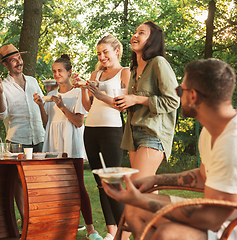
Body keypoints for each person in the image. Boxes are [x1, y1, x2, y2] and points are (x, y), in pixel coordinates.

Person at [103, 58, 237, 240]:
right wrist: (155, 180)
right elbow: (204, 175)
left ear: (194, 96)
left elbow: (211, 218)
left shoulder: (232, 141)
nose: (178, 95)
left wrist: (138, 198)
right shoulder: (209, 132)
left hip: (228, 225)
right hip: (214, 216)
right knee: (134, 210)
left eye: (180, 91)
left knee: (168, 233)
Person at [33, 54, 103, 240]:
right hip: (52, 143)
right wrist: (41, 106)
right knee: (55, 187)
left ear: (69, 72)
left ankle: (91, 229)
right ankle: (60, 226)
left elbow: (79, 122)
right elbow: (47, 121)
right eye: (54, 71)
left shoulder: (78, 93)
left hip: (71, 142)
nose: (56, 74)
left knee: (78, 185)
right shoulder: (50, 96)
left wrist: (63, 106)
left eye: (60, 71)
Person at [76, 34, 130, 240]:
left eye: (105, 52)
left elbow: (122, 105)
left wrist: (100, 95)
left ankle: (125, 233)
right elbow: (88, 106)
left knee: (113, 182)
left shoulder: (125, 72)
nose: (102, 56)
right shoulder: (95, 74)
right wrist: (84, 89)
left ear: (116, 51)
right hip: (91, 130)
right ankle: (112, 232)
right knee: (100, 183)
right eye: (99, 53)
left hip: (112, 130)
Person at [115, 21, 180, 181]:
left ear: (152, 40)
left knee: (138, 185)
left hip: (153, 132)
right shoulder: (134, 69)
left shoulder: (159, 63)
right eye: (135, 32)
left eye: (141, 33)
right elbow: (135, 101)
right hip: (133, 134)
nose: (134, 35)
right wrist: (125, 104)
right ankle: (163, 208)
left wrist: (136, 98)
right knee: (145, 188)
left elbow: (173, 101)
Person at [0, 43, 45, 224]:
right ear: (6, 65)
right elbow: (1, 115)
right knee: (18, 182)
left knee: (38, 180)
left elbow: (42, 105)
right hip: (17, 140)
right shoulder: (2, 86)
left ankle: (38, 216)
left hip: (39, 137)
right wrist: (0, 92)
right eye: (13, 60)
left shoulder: (33, 81)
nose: (18, 62)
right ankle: (26, 219)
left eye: (19, 58)